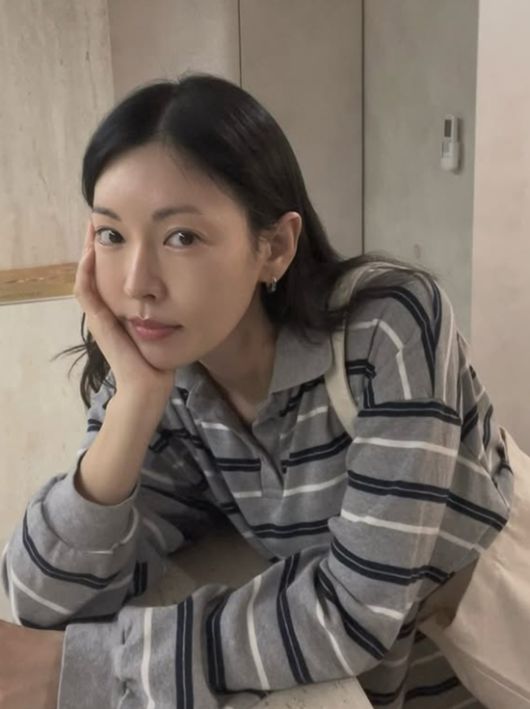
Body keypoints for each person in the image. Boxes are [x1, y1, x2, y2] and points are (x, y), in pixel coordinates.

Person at [0, 74, 512, 709]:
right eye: (111, 235)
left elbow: (353, 613)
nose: (136, 283)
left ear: (275, 247)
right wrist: (133, 403)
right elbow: (44, 599)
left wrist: (85, 668)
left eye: (181, 237)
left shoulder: (388, 327)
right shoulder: (167, 376)